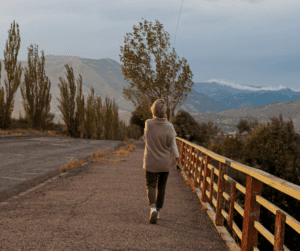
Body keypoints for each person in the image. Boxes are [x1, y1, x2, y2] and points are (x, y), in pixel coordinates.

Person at [142, 99, 180, 224]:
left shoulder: (148, 123)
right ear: (165, 113)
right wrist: (178, 160)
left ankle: (152, 208)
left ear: (153, 110)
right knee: (161, 187)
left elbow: (146, 138)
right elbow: (173, 146)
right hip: (164, 163)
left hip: (151, 161)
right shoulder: (169, 127)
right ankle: (158, 211)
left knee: (151, 185)